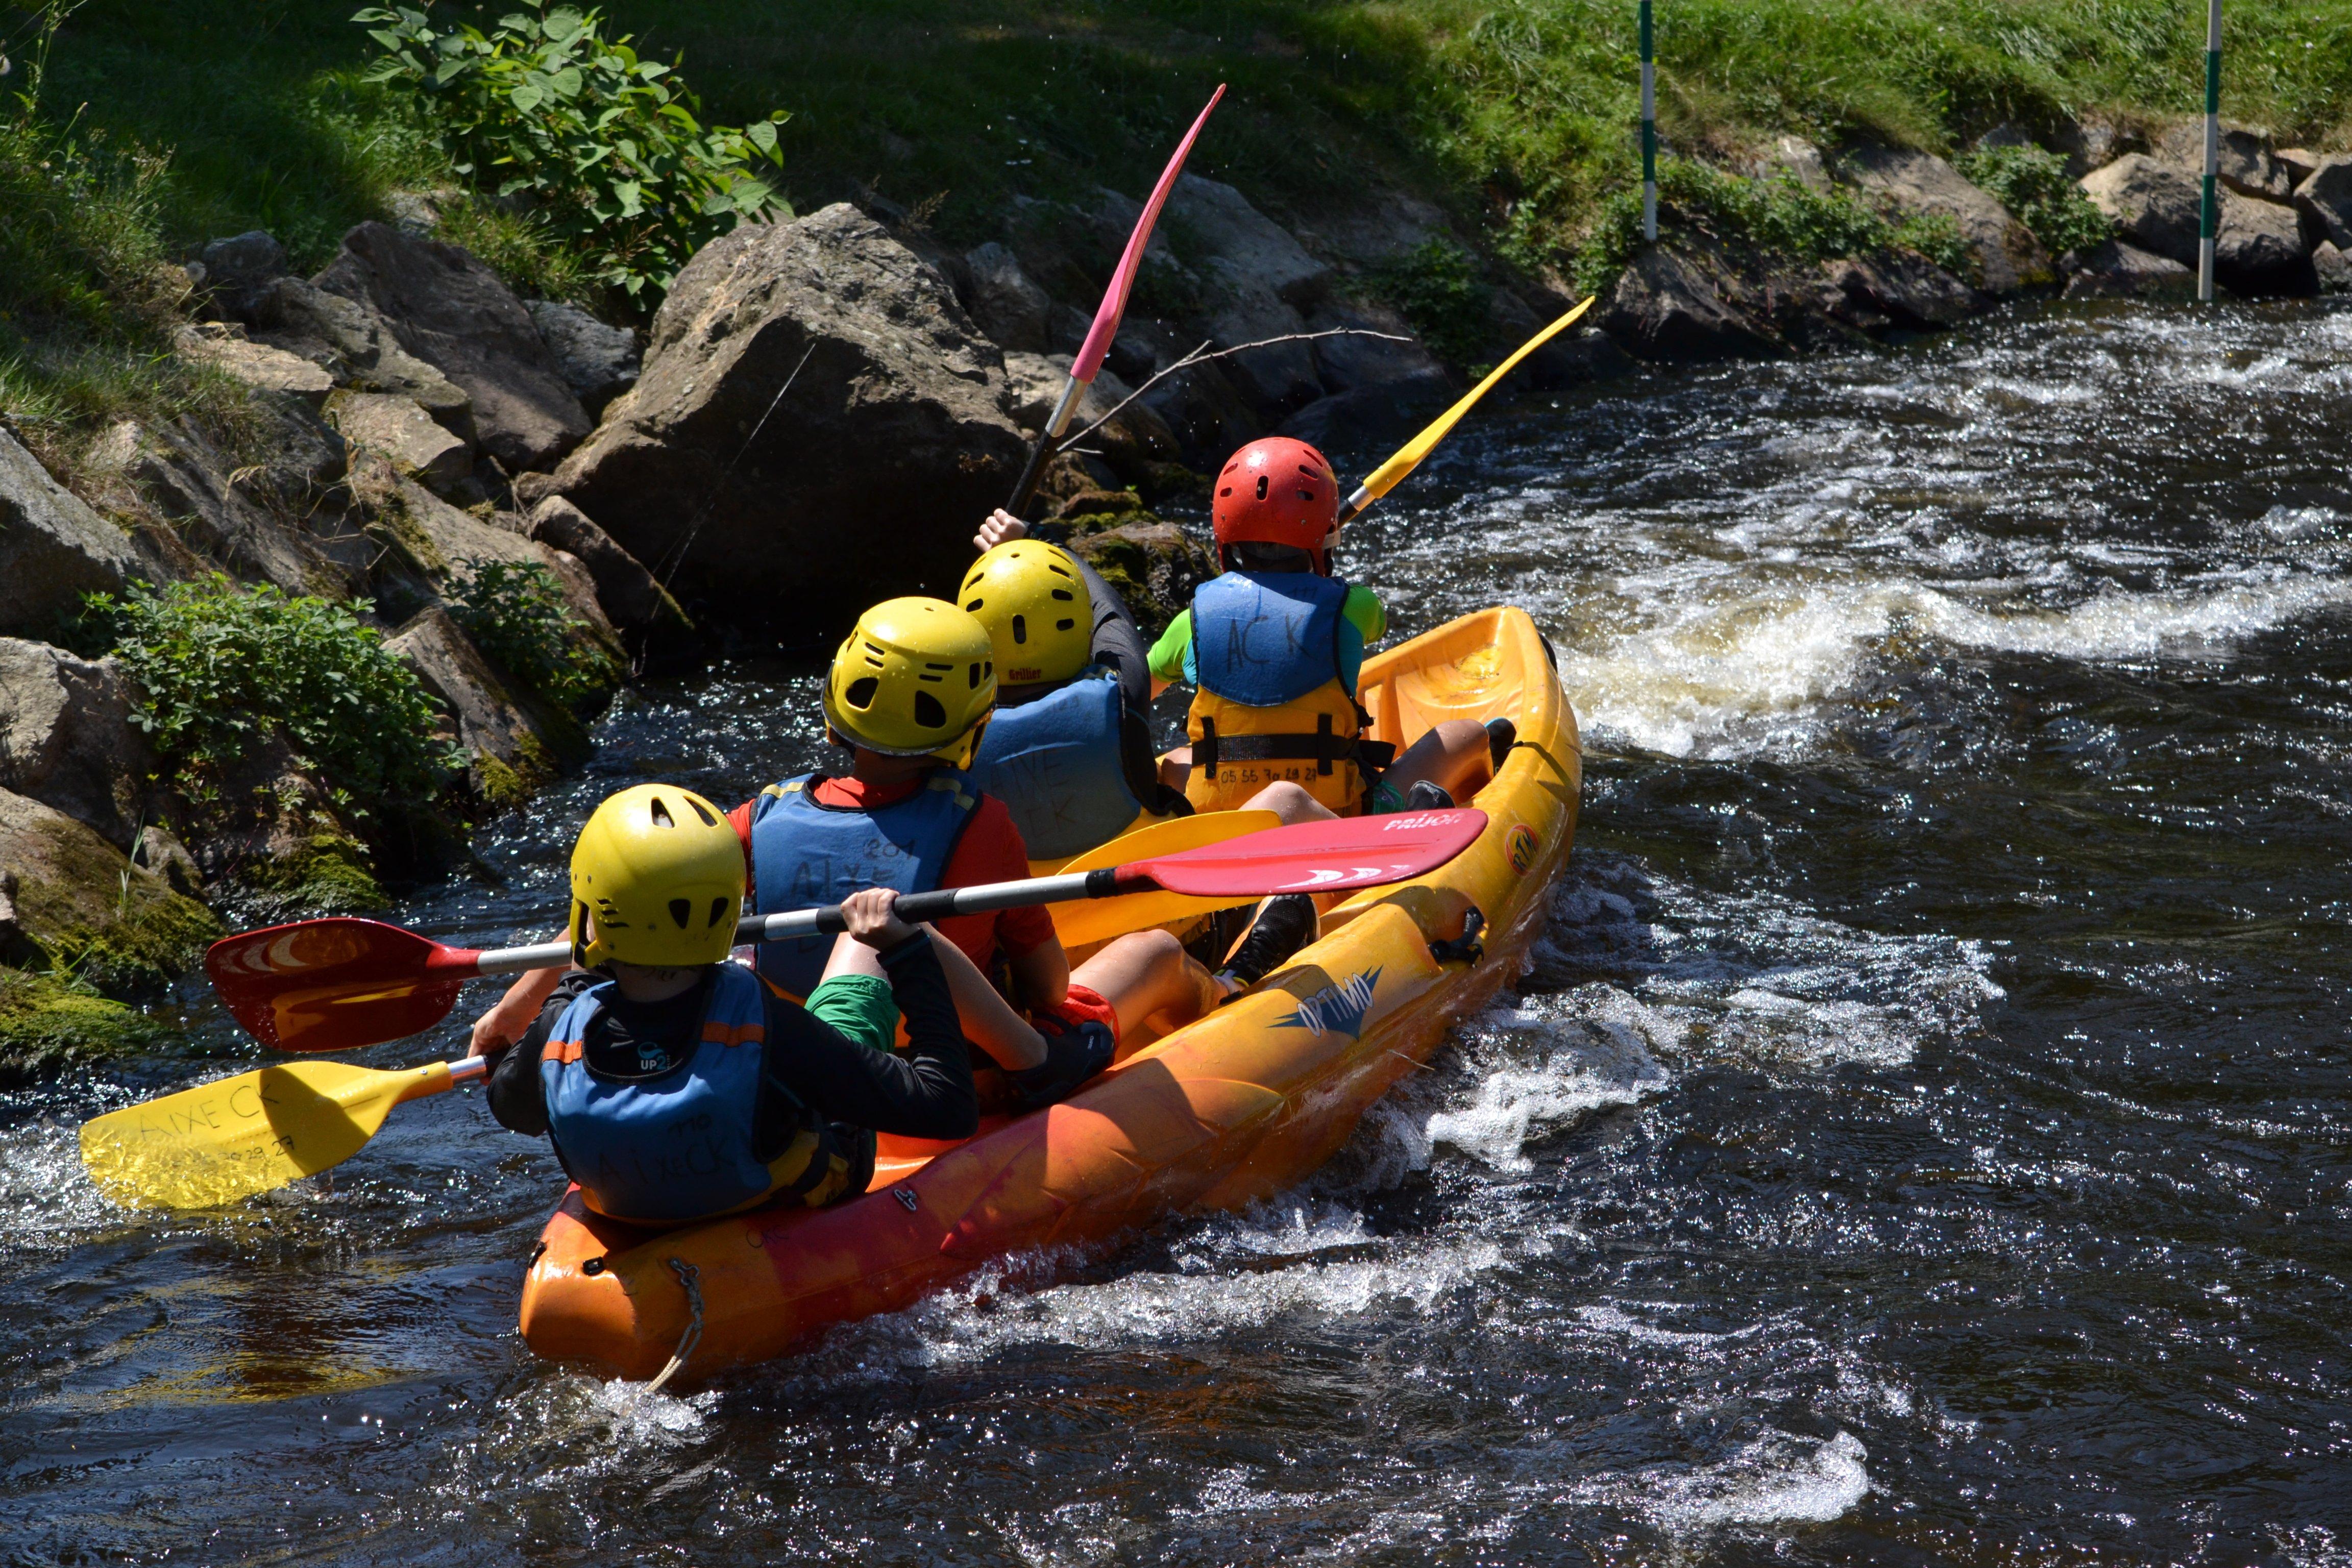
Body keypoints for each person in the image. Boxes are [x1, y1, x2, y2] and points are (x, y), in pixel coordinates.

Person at [472, 598, 1317, 1114]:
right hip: (964, 1077)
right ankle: (1229, 1000)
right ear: (973, 729)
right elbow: (1049, 987)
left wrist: (514, 1013)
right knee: (1156, 950)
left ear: (835, 710)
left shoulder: (759, 816)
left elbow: (631, 895)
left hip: (794, 1069)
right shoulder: (979, 824)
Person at [472, 783, 976, 1226]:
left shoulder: (560, 1030)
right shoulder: (773, 1030)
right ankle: (1023, 1065)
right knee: (859, 944)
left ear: (592, 914)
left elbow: (514, 1111)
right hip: (781, 1196)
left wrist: (570, 987)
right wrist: (907, 951)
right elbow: (947, 1109)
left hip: (632, 1214)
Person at [1147, 436, 1507, 821]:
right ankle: (1391, 809)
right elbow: (1377, 626)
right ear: (1327, 535)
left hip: (1218, 817)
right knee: (1466, 734)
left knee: (1177, 759)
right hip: (1339, 812)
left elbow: (1137, 691)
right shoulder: (1354, 605)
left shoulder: (1190, 621)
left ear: (1225, 534)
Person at [956, 536, 1189, 864]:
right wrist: (1050, 543)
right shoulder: (1120, 694)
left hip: (1025, 895)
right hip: (1135, 883)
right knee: (1181, 761)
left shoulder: (955, 736)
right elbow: (1111, 614)